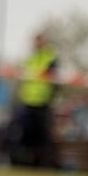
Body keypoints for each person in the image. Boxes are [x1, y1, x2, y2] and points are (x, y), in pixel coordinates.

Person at [13, 32, 58, 167]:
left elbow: (55, 81)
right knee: (26, 135)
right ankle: (25, 163)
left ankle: (42, 164)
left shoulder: (51, 58)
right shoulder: (29, 59)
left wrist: (50, 97)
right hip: (28, 101)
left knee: (43, 136)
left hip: (43, 103)